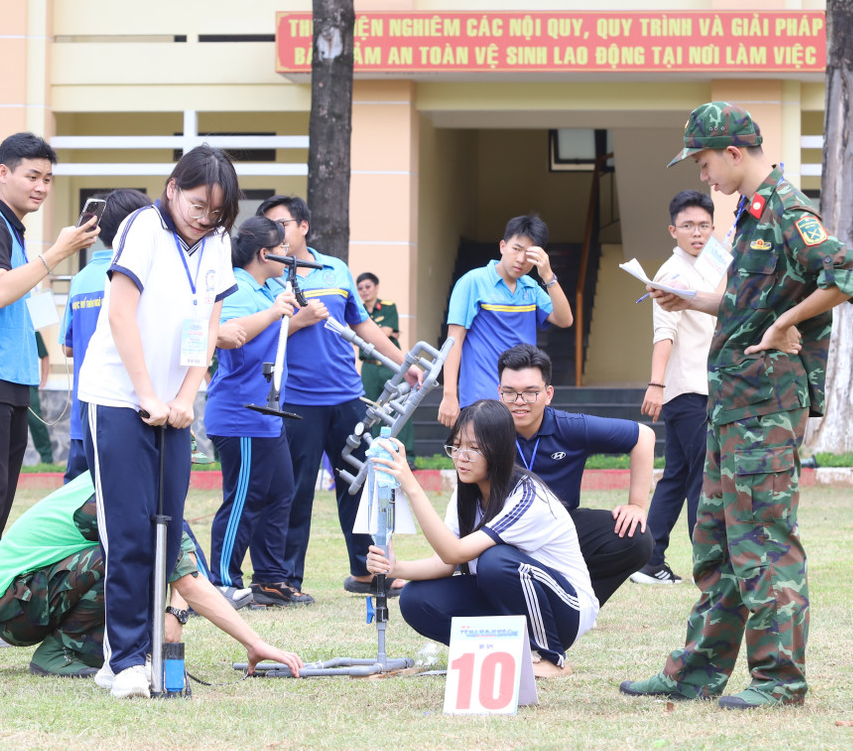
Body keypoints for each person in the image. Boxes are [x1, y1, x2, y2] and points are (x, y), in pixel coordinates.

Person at [620, 102, 853, 709]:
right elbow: (744, 302)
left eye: (705, 164)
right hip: (730, 403)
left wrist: (788, 321)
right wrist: (690, 300)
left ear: (733, 153)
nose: (705, 177)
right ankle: (696, 672)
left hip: (765, 405)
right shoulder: (751, 218)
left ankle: (780, 681)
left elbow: (847, 276)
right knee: (716, 544)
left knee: (763, 542)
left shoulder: (786, 208)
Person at [77, 145, 239, 699]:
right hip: (120, 397)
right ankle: (123, 661)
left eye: (215, 212)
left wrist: (188, 394)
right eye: (197, 205)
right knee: (128, 534)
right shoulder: (143, 229)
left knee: (167, 541)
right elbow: (120, 314)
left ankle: (138, 652)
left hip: (173, 405)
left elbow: (208, 320)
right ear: (173, 188)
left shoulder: (216, 243)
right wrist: (147, 393)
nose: (204, 218)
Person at [0, 132, 99, 646]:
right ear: (2, 172)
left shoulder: (13, 229)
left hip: (8, 377)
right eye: (33, 175)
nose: (42, 186)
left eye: (48, 178)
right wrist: (57, 253)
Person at [0, 473, 303, 681]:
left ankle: (89, 648)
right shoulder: (117, 491)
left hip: (38, 596)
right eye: (184, 462)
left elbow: (184, 564)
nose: (186, 473)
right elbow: (182, 577)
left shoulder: (146, 486)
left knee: (148, 555)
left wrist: (175, 613)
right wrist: (255, 643)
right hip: (12, 607)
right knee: (128, 557)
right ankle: (58, 653)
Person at [366, 400, 598, 679]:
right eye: (457, 445)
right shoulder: (468, 492)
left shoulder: (527, 497)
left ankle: (552, 659)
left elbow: (455, 552)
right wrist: (396, 568)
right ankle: (498, 654)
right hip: (507, 597)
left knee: (494, 561)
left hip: (565, 610)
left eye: (474, 448)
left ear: (499, 451)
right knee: (415, 599)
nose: (462, 456)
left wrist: (411, 485)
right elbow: (444, 564)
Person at [256, 195, 416, 597]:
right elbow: (257, 337)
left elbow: (363, 326)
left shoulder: (335, 269)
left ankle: (365, 571)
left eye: (282, 225)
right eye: (269, 228)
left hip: (348, 397)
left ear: (304, 226)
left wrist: (403, 362)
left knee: (360, 484)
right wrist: (298, 321)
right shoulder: (266, 277)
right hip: (297, 402)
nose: (276, 235)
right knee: (295, 490)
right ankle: (286, 580)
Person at [496, 344, 654, 606]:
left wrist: (637, 505)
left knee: (636, 537)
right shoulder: (487, 428)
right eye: (510, 393)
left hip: (561, 530)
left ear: (548, 394)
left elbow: (644, 436)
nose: (520, 401)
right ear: (499, 393)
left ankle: (577, 603)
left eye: (530, 392)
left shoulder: (571, 428)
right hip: (504, 534)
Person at [205, 216, 304, 607]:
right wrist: (275, 311)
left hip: (268, 414)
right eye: (282, 249)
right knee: (243, 500)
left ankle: (270, 580)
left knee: (280, 494)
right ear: (264, 254)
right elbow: (229, 337)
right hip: (240, 414)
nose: (288, 255)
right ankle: (223, 580)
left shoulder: (266, 289)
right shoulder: (238, 289)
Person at [636, 190, 716, 585]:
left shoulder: (718, 260)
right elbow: (663, 334)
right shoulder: (671, 272)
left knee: (677, 475)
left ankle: (650, 561)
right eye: (688, 226)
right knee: (701, 476)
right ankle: (710, 568)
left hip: (711, 385)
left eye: (703, 225)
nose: (696, 233)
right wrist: (656, 384)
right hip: (689, 389)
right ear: (673, 230)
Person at [437, 214, 574, 428]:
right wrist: (449, 395)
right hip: (480, 397)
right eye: (516, 249)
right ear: (503, 246)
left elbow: (565, 320)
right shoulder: (473, 282)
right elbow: (453, 341)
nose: (520, 259)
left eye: (529, 254)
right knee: (482, 459)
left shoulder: (531, 287)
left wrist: (548, 276)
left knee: (519, 461)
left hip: (522, 400)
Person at [60, 189, 153, 483]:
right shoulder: (142, 275)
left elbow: (68, 347)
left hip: (83, 417)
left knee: (78, 507)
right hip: (130, 412)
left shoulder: (82, 278)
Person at [354, 272, 414, 450]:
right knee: (371, 410)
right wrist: (382, 332)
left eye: (368, 287)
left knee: (398, 408)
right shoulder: (359, 310)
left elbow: (385, 333)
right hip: (369, 368)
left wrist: (373, 334)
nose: (364, 291)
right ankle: (375, 450)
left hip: (390, 367)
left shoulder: (388, 307)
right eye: (360, 288)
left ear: (376, 287)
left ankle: (405, 453)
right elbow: (373, 333)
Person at [28, 332, 54, 465]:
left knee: (36, 421)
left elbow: (44, 355)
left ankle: (47, 459)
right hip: (7, 380)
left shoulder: (33, 329)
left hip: (28, 383)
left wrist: (43, 379)